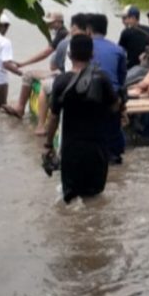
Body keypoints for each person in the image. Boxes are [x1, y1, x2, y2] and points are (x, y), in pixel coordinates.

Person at [42, 34, 119, 203]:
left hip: (71, 150)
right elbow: (115, 107)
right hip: (97, 148)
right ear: (92, 55)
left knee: (70, 198)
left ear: (69, 55)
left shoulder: (61, 81)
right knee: (95, 197)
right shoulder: (102, 78)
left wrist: (48, 145)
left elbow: (53, 118)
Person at [2, 12, 68, 118]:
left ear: (59, 22)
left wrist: (23, 63)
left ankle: (20, 108)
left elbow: (45, 53)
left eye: (51, 23)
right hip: (63, 71)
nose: (48, 26)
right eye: (48, 23)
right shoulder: (60, 34)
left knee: (27, 74)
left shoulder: (62, 34)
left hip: (62, 73)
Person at [34, 13, 89, 136]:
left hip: (68, 78)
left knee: (44, 86)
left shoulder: (64, 41)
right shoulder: (94, 42)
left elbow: (54, 65)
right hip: (89, 80)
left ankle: (41, 125)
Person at [87, 13, 127, 164]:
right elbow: (122, 78)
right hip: (112, 98)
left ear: (89, 29)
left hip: (88, 96)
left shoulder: (84, 47)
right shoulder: (118, 49)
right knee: (113, 133)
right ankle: (114, 156)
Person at [118, 5, 149, 69]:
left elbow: (120, 52)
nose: (123, 22)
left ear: (133, 18)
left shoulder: (126, 33)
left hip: (132, 68)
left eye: (125, 18)